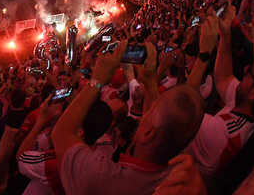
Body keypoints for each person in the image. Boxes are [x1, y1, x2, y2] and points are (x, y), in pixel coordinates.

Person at [52, 41, 204, 194]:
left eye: (151, 110)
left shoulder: (103, 177)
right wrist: (151, 83)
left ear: (148, 133)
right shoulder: (177, 178)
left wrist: (97, 79)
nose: (146, 111)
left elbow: (60, 134)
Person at [184, 9, 254, 182]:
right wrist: (225, 34)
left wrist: (204, 54)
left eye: (250, 71)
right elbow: (223, 77)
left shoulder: (222, 134)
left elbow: (177, 114)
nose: (244, 70)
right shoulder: (250, 112)